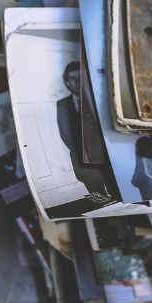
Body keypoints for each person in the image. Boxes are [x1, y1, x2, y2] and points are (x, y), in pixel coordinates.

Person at [55, 61, 113, 201]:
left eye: (79, 78)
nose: (76, 82)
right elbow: (65, 134)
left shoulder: (97, 97)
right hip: (81, 154)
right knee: (98, 194)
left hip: (105, 151)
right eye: (72, 79)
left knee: (115, 189)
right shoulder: (62, 105)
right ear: (67, 83)